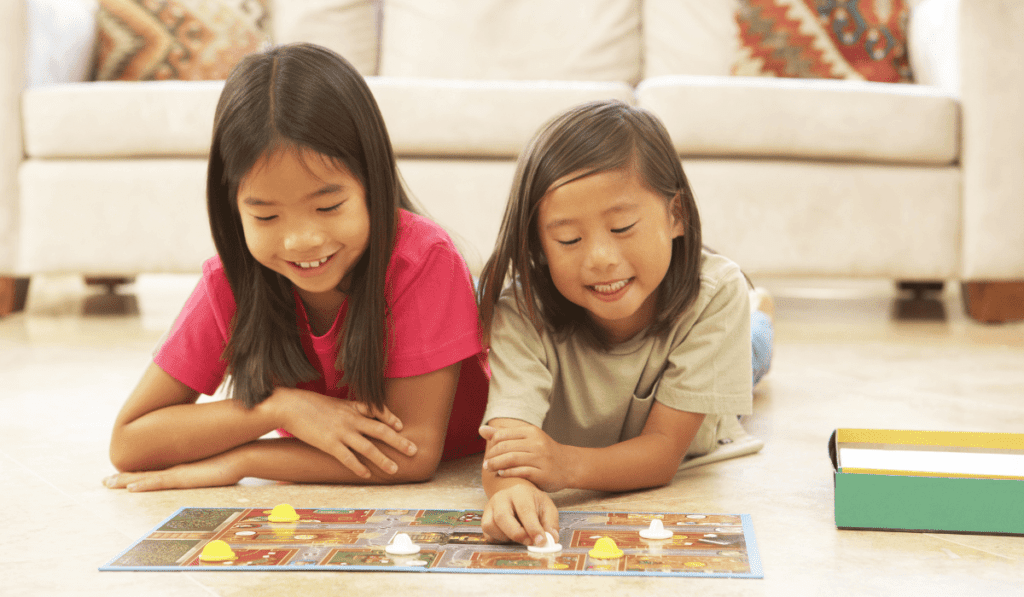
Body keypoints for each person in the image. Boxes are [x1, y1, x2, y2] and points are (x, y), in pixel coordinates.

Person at [104, 43, 487, 492]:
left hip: (459, 460)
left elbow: (412, 453)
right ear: (233, 210)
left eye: (328, 206)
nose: (300, 240)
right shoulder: (231, 280)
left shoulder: (422, 259)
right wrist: (277, 409)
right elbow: (130, 444)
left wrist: (246, 459)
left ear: (371, 182)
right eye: (265, 216)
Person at [475, 100, 771, 546]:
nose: (599, 260)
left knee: (754, 349)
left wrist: (563, 465)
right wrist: (511, 490)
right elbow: (506, 445)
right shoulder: (521, 309)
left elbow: (663, 453)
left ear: (676, 216)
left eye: (623, 227)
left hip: (708, 376)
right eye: (568, 239)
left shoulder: (713, 294)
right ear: (538, 243)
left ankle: (760, 308)